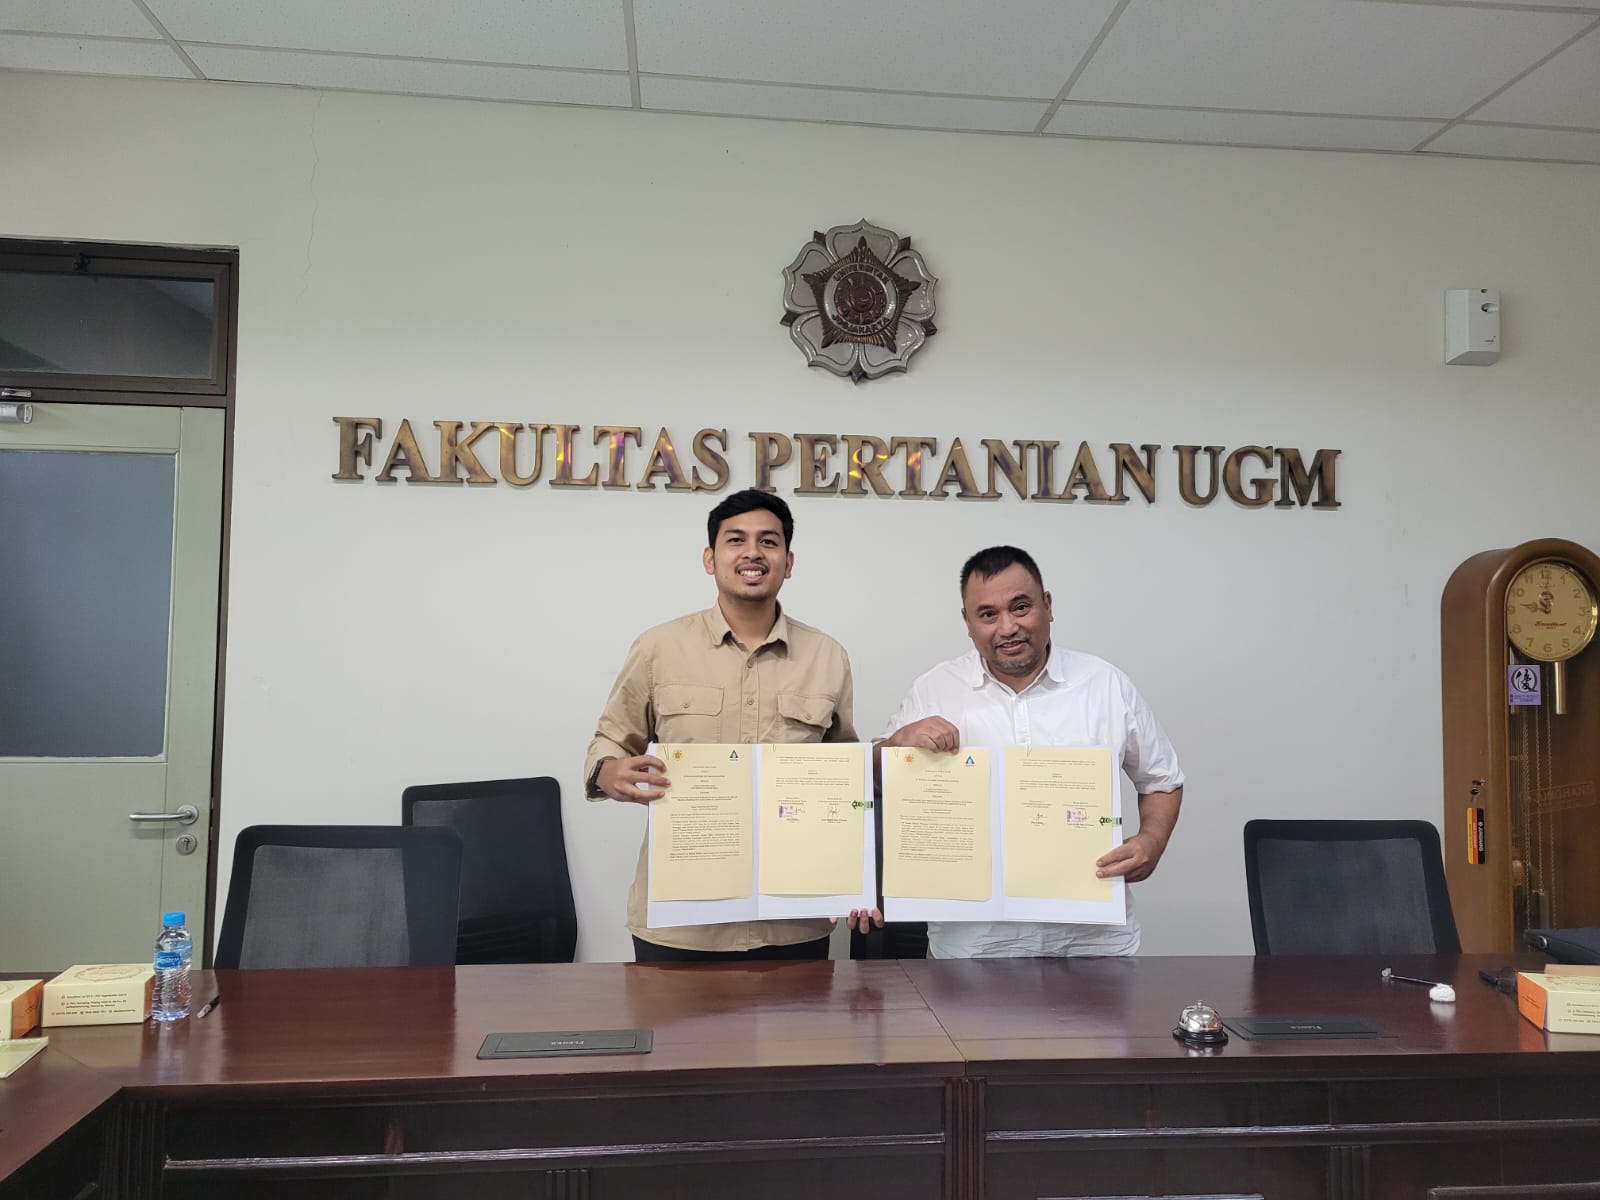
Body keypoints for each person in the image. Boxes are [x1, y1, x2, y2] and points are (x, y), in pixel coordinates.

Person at [868, 545, 1183, 958]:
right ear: (967, 623)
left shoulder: (1104, 684)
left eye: (1021, 607)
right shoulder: (934, 689)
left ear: (1047, 605)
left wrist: (1151, 841)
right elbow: (875, 778)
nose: (1008, 627)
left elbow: (1162, 780)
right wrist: (896, 744)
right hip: (973, 946)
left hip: (1093, 942)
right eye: (987, 614)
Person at [584, 489, 857, 962]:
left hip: (791, 920)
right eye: (736, 540)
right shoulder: (658, 647)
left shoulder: (827, 656)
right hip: (681, 923)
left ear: (788, 562)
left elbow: (843, 769)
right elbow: (610, 737)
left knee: (800, 1018)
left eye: (768, 542)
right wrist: (607, 771)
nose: (753, 552)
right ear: (710, 559)